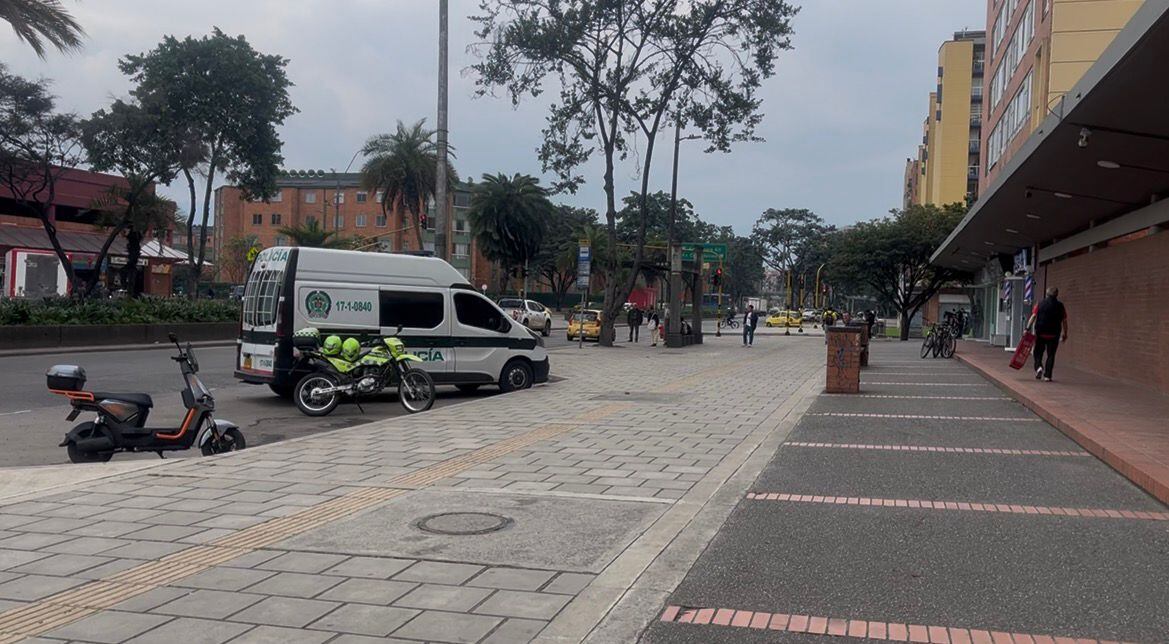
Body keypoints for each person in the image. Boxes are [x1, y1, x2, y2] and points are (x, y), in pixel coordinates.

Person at [1027, 287, 1068, 382]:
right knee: (1051, 355)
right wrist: (1065, 333)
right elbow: (1064, 321)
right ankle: (1048, 376)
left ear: (1046, 294)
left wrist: (1027, 328)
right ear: (1057, 295)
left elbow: (1033, 316)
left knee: (1037, 352)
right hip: (1054, 334)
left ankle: (1038, 367)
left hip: (1041, 333)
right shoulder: (1061, 306)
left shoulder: (1040, 304)